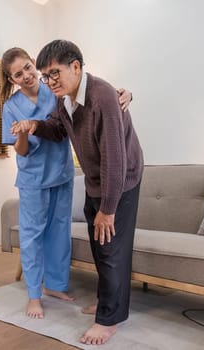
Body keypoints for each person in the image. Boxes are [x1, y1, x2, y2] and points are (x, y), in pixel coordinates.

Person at [10, 40, 144, 345]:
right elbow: (58, 129)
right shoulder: (64, 100)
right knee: (100, 246)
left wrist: (108, 209)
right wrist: (34, 125)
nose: (49, 82)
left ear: (76, 67)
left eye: (54, 73)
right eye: (46, 76)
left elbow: (115, 158)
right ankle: (110, 300)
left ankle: (108, 320)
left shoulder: (104, 97)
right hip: (96, 179)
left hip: (123, 178)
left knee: (110, 247)